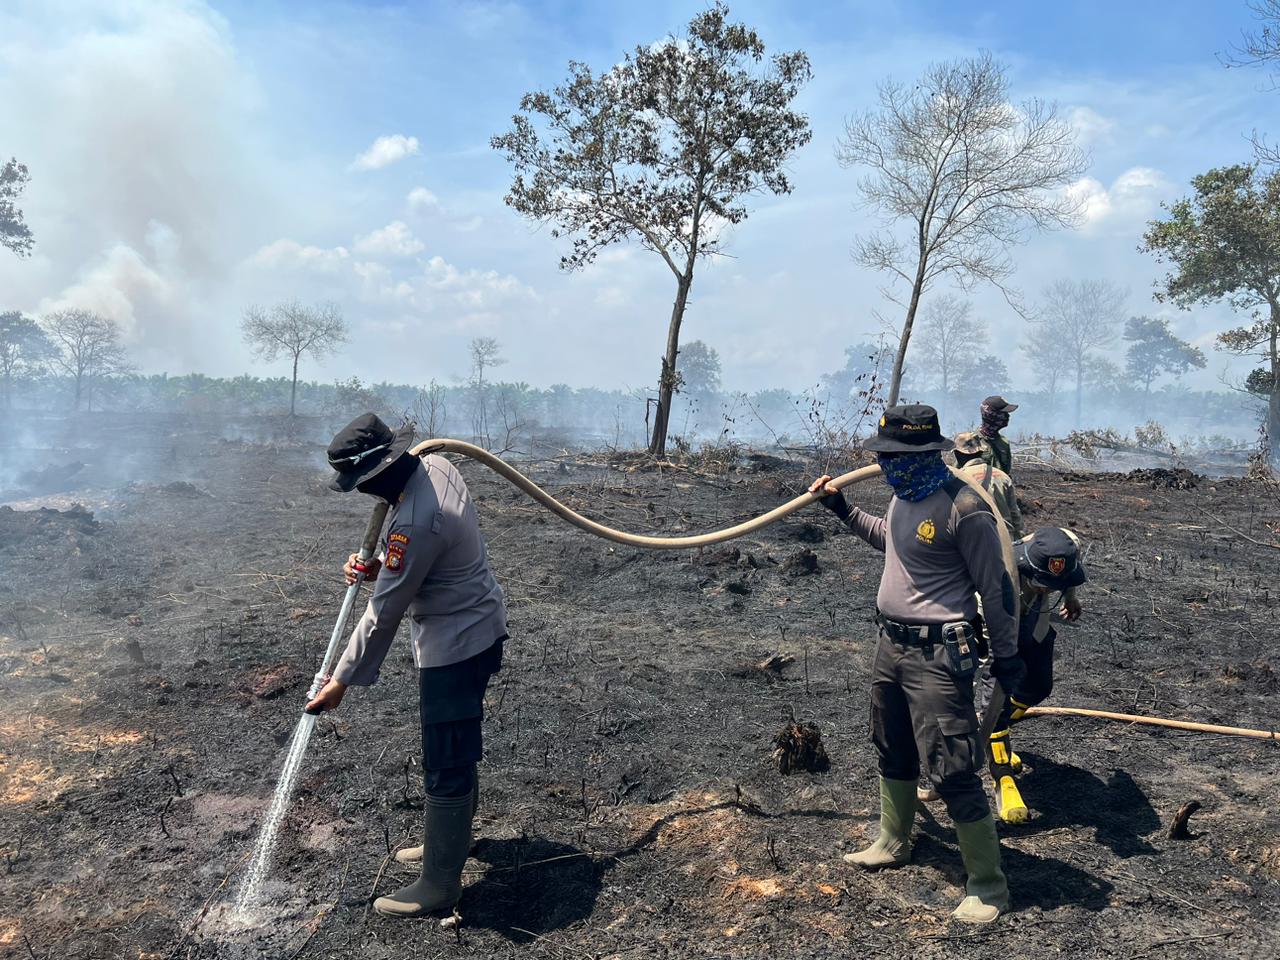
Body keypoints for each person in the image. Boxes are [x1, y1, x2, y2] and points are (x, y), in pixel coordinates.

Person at [809, 404, 1025, 925]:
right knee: (892, 745)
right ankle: (892, 839)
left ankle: (988, 884)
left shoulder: (965, 507)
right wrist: (843, 510)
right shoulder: (904, 497)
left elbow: (997, 589)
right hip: (892, 645)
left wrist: (1009, 657)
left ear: (929, 453)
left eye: (897, 457)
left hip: (938, 655)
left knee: (951, 765)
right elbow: (894, 541)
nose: (887, 466)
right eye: (884, 457)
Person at [306, 413, 508, 919]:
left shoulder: (415, 523)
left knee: (446, 756)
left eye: (359, 483)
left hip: (456, 644)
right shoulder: (435, 465)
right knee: (456, 747)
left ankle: (441, 883)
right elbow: (419, 558)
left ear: (378, 473)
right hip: (476, 623)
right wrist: (381, 567)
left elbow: (385, 611)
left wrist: (340, 681)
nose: (356, 492)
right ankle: (448, 845)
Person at [978, 527, 1086, 824]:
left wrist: (1071, 596)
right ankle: (1002, 780)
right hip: (998, 620)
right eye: (1042, 582)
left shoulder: (1067, 545)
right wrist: (1003, 659)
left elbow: (1070, 572)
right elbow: (993, 653)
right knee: (997, 696)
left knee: (1039, 684)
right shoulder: (997, 570)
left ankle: (988, 732)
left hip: (1034, 616)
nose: (1046, 588)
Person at [953, 432, 1023, 540]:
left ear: (958, 454)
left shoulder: (957, 479)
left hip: (976, 543)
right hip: (1005, 540)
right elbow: (1015, 515)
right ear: (981, 452)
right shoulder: (1003, 476)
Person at [976, 396, 1018, 476]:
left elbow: (1006, 473)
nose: (1007, 416)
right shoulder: (970, 441)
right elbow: (959, 474)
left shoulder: (1004, 442)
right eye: (1003, 413)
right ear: (990, 415)